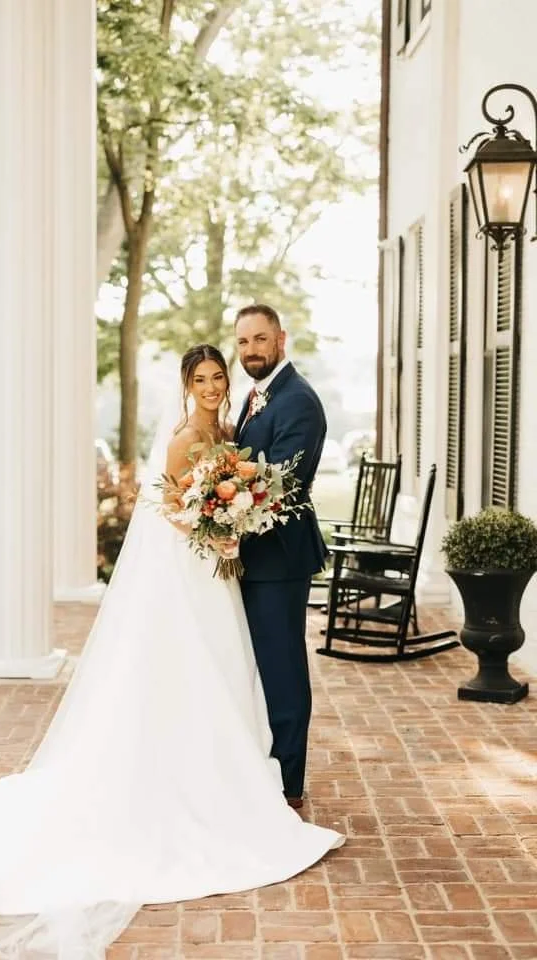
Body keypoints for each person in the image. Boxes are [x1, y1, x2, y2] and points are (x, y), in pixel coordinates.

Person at [0, 343, 344, 960]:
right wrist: (218, 533)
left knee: (225, 670)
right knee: (197, 667)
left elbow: (225, 492)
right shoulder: (188, 435)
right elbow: (175, 506)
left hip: (218, 570)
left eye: (218, 376)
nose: (213, 386)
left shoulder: (229, 424)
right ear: (186, 384)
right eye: (202, 378)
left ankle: (229, 768)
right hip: (195, 570)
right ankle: (201, 777)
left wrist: (230, 522)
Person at [234, 304, 328, 809]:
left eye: (260, 339)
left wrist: (224, 506)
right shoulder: (256, 397)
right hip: (253, 557)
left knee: (283, 667)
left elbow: (283, 484)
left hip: (280, 558)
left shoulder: (298, 402)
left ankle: (289, 782)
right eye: (244, 341)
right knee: (260, 665)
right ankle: (264, 766)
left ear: (281, 339)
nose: (251, 350)